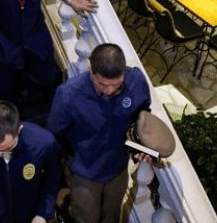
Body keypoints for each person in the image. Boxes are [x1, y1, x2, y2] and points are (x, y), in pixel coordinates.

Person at [47, 44, 153, 223]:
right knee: (87, 217)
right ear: (90, 68)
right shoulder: (69, 94)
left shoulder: (137, 81)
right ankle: (66, 204)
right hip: (84, 170)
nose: (110, 90)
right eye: (102, 84)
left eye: (116, 84)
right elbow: (55, 132)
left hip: (118, 167)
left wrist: (141, 146)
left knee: (112, 216)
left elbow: (143, 117)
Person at [0, 100, 62, 223]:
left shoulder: (43, 143)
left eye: (6, 148)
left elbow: (53, 179)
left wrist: (43, 213)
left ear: (19, 129)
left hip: (29, 217)